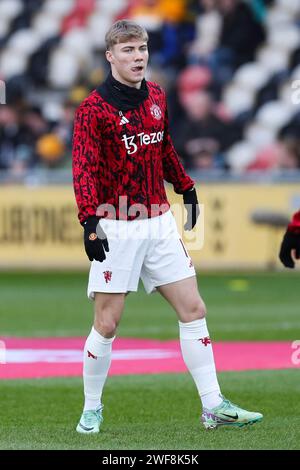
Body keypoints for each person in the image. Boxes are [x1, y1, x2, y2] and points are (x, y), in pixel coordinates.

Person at [72, 19, 262, 433]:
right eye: (127, 50)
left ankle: (213, 406)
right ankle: (91, 408)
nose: (137, 56)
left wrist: (186, 188)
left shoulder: (157, 94)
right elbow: (83, 167)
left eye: (141, 49)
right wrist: (89, 220)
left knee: (194, 309)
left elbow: (163, 148)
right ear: (110, 56)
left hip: (158, 220)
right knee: (107, 322)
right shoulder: (93, 109)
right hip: (116, 222)